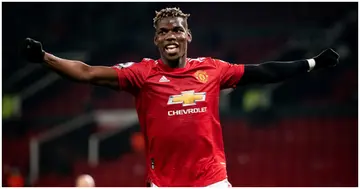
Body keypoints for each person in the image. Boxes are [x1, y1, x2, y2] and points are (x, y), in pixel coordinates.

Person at [22, 7, 339, 187]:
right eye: (163, 31)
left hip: (211, 180)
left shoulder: (213, 69)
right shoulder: (142, 74)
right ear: (156, 39)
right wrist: (45, 58)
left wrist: (311, 63)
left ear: (187, 35)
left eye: (176, 29)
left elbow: (264, 72)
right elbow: (87, 73)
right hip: (165, 183)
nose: (170, 35)